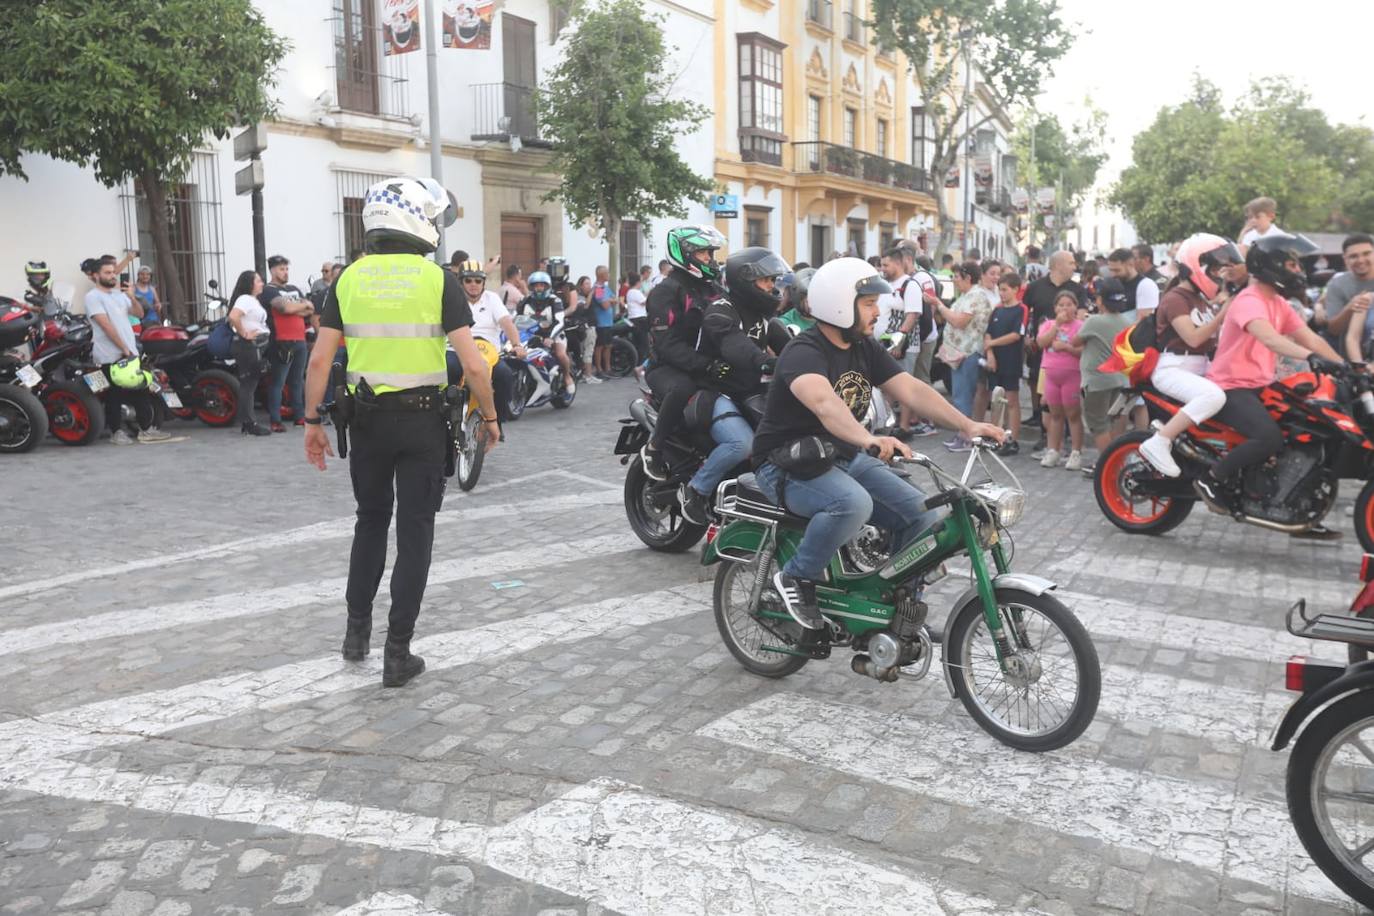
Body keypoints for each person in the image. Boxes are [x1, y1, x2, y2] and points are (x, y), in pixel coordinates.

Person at [302, 176, 500, 688]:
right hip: (423, 423)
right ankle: (397, 653)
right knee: (415, 533)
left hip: (365, 422)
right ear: (418, 220)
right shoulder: (440, 281)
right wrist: (491, 417)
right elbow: (476, 365)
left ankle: (355, 635)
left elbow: (321, 358)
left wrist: (310, 422)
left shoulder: (347, 279)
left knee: (369, 522)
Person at [750, 257, 1004, 629]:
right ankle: (796, 576)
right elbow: (824, 403)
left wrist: (967, 425)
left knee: (923, 513)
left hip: (839, 455)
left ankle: (893, 599)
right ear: (839, 304)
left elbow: (911, 389)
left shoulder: (863, 347)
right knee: (852, 504)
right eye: (868, 304)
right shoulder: (803, 351)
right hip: (785, 464)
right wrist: (868, 438)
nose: (877, 311)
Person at [1196, 233, 1343, 514]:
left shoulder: (1278, 302)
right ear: (1272, 265)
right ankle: (1212, 477)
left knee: (1306, 429)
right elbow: (1271, 339)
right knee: (1269, 438)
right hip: (1231, 387)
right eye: (1292, 265)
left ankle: (1292, 502)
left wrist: (1344, 365)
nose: (1298, 271)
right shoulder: (1249, 300)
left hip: (1263, 385)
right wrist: (1312, 358)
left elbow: (1311, 338)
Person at [677, 246, 792, 524]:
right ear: (745, 280)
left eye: (773, 281)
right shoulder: (720, 311)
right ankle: (696, 490)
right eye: (766, 281)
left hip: (751, 392)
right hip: (715, 391)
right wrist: (765, 361)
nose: (772, 287)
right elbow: (735, 346)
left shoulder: (765, 318)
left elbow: (794, 346)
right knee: (743, 444)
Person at [1135, 234, 1239, 477]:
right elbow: (1193, 338)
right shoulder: (1175, 299)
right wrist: (1222, 314)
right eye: (1212, 269)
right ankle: (1159, 441)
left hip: (1199, 368)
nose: (1217, 275)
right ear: (1196, 267)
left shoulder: (1200, 300)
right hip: (1174, 369)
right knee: (1213, 396)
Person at [641, 225, 727, 480]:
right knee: (682, 387)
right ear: (685, 254)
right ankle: (654, 447)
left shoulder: (713, 288)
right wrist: (705, 364)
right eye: (703, 253)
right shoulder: (665, 292)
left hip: (706, 362)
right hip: (666, 368)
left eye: (710, 253)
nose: (710, 259)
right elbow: (667, 345)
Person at [84, 258, 169, 444]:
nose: (112, 275)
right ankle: (116, 432)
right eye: (107, 272)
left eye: (113, 272)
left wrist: (131, 296)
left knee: (140, 390)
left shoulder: (120, 295)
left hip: (130, 352)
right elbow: (105, 325)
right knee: (114, 394)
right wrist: (123, 348)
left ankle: (146, 429)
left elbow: (139, 314)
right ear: (96, 275)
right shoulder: (93, 297)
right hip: (110, 354)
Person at [453, 259, 524, 434]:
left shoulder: (492, 298)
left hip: (489, 352)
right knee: (446, 373)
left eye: (478, 280)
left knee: (505, 376)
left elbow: (507, 323)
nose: (473, 285)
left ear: (484, 282)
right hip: (457, 350)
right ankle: (445, 419)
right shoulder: (452, 300)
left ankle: (496, 420)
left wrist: (517, 345)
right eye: (468, 280)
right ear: (461, 282)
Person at [1073, 279, 1135, 473]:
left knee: (1098, 425)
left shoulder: (1094, 321)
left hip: (1097, 380)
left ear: (1100, 300)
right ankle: (1116, 464)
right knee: (1113, 424)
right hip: (1120, 378)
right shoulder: (1127, 321)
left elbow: (1076, 341)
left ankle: (1110, 468)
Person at [933, 261, 994, 452]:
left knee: (963, 396)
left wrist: (939, 306)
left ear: (968, 278)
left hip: (967, 353)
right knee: (960, 395)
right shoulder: (967, 296)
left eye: (957, 276)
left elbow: (959, 321)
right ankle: (962, 434)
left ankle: (967, 437)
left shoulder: (976, 296)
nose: (954, 280)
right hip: (958, 352)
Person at [1022, 251, 1085, 433]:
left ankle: (1063, 431)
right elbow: (1026, 312)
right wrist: (1026, 335)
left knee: (1064, 396)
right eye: (1071, 263)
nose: (1075, 267)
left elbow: (1080, 316)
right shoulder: (1035, 287)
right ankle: (1039, 420)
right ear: (1058, 265)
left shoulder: (1077, 289)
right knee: (1035, 382)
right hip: (1041, 345)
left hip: (1066, 352)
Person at [260, 255, 313, 431]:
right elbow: (284, 308)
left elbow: (310, 308)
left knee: (297, 381)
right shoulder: (268, 290)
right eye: (281, 269)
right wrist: (297, 307)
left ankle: (299, 416)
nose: (285, 272)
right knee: (278, 382)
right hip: (281, 341)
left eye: (286, 269)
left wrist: (293, 309)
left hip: (300, 339)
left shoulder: (294, 288)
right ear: (273, 271)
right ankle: (275, 420)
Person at [1034, 290, 1085, 470]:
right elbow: (1041, 343)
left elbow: (1083, 351)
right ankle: (1053, 450)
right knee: (1055, 415)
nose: (1065, 308)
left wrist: (1067, 348)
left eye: (1069, 304)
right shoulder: (1048, 324)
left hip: (1072, 374)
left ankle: (1076, 452)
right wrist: (1057, 325)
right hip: (1051, 375)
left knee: (1073, 414)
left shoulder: (1080, 326)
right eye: (1061, 305)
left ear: (1076, 307)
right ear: (1055, 308)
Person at [983, 272, 1026, 454]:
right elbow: (988, 332)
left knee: (1011, 400)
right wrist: (990, 353)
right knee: (996, 400)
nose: (1001, 293)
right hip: (996, 361)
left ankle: (1013, 439)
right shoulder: (997, 309)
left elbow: (1016, 335)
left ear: (1015, 289)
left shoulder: (1021, 310)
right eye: (999, 290)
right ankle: (996, 436)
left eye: (1005, 290)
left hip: (1011, 360)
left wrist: (991, 343)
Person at [226, 270, 273, 436]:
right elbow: (234, 316)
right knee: (248, 384)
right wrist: (244, 333)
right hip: (249, 346)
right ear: (250, 284)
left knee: (251, 384)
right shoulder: (245, 299)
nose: (262, 283)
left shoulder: (253, 300)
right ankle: (249, 422)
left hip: (256, 345)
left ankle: (249, 421)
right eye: (258, 280)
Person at [516, 269, 576, 389]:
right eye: (536, 285)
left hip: (554, 333)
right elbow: (516, 319)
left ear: (547, 286)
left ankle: (567, 376)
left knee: (560, 354)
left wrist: (550, 338)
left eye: (542, 285)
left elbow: (559, 321)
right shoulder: (524, 301)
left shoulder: (555, 301)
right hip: (531, 334)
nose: (539, 288)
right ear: (531, 287)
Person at [1321, 233, 1374, 353]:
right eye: (1354, 256)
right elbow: (1333, 329)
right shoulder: (1337, 285)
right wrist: (1350, 308)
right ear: (1345, 259)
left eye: (1366, 253)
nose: (1361, 260)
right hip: (1354, 357)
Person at [1107, 247, 1160, 322]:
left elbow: (1143, 322)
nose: (1113, 274)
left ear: (1130, 264)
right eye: (1111, 270)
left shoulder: (1146, 285)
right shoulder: (1112, 284)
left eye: (1117, 270)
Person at [589, 265, 618, 379]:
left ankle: (608, 368)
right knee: (600, 346)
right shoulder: (599, 289)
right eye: (607, 273)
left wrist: (610, 300)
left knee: (608, 346)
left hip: (608, 322)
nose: (609, 275)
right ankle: (599, 369)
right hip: (601, 323)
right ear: (602, 275)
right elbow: (605, 305)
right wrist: (611, 300)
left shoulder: (606, 288)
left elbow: (614, 298)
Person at [625, 265, 651, 380]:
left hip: (635, 320)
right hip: (639, 319)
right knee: (643, 345)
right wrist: (650, 292)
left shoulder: (631, 292)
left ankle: (638, 365)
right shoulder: (634, 292)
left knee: (639, 344)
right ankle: (640, 366)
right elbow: (644, 302)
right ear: (637, 282)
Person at [778, 267, 817, 334]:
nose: (814, 302)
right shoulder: (785, 324)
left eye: (817, 296)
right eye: (809, 297)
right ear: (798, 298)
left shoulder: (830, 319)